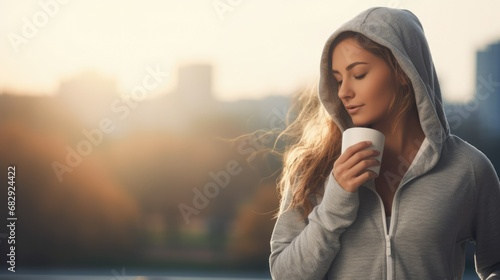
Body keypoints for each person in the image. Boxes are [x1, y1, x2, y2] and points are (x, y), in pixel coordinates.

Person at [269, 7, 500, 280]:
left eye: (359, 74)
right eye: (338, 79)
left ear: (403, 71)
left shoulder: (468, 169)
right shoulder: (313, 169)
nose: (344, 92)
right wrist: (335, 202)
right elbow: (284, 275)